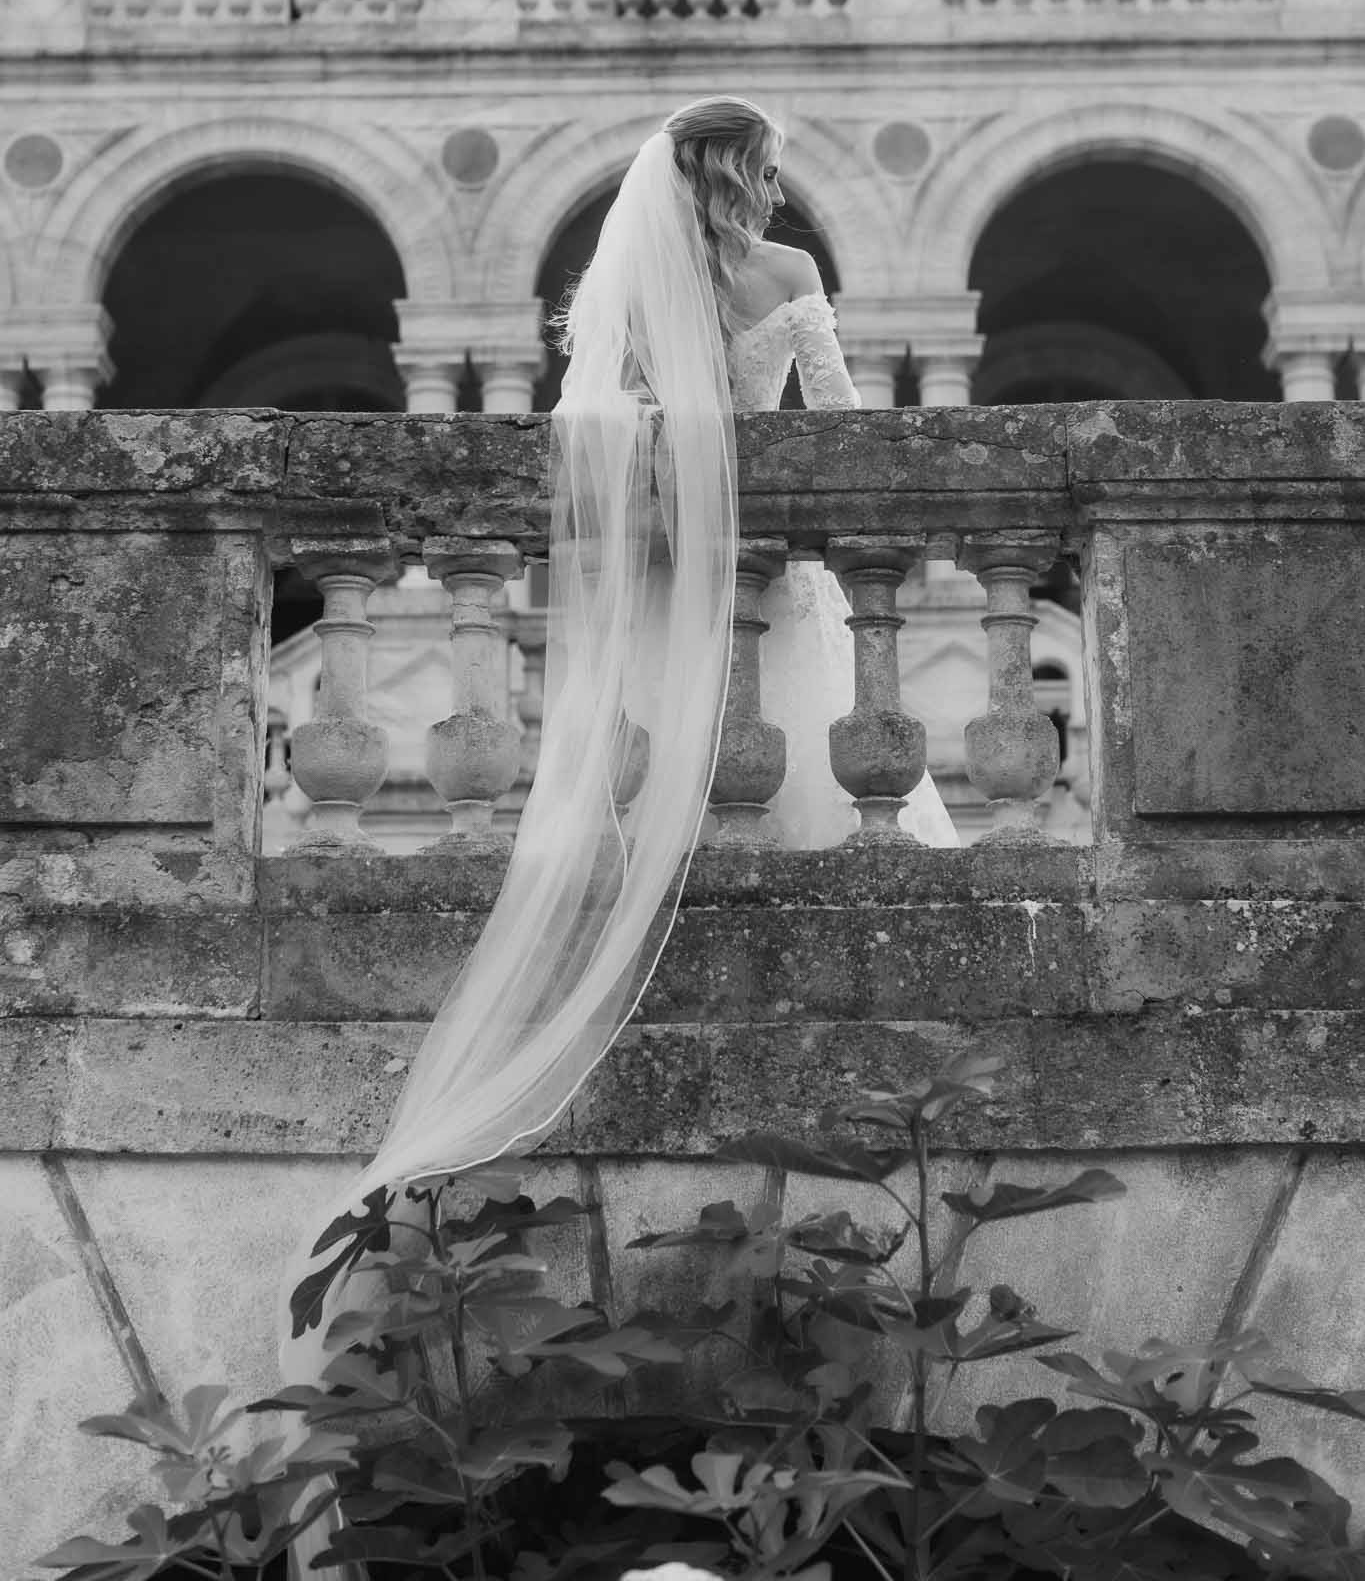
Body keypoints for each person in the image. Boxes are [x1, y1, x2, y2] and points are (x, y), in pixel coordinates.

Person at [282, 94, 955, 1379]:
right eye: (768, 167)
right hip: (773, 588)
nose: (776, 186)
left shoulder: (628, 285)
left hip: (661, 592)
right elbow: (842, 425)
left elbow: (598, 435)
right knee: (818, 797)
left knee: (658, 794)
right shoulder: (790, 272)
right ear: (742, 173)